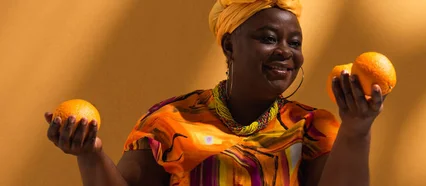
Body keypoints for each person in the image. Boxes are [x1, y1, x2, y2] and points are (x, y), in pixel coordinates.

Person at [44, 0, 387, 185]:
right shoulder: (169, 123)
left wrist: (357, 128)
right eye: (268, 38)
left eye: (294, 43)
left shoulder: (312, 129)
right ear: (229, 45)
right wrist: (89, 154)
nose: (286, 51)